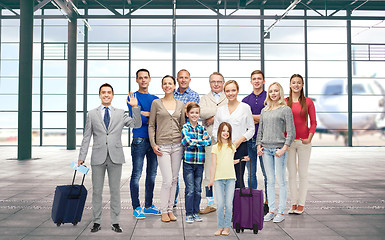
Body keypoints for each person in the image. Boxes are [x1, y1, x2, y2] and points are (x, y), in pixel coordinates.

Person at [78, 83, 142, 233]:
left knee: (115, 191)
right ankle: (96, 222)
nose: (106, 95)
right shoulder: (92, 114)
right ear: (99, 95)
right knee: (97, 191)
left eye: (109, 92)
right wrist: (82, 157)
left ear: (113, 95)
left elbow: (136, 124)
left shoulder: (120, 113)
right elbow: (86, 137)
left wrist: (135, 108)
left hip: (115, 157)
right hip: (98, 157)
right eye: (103, 92)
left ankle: (115, 222)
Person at [257, 82, 296, 223]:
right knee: (270, 181)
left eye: (276, 91)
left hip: (279, 149)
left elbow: (291, 131)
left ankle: (281, 212)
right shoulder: (264, 110)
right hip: (265, 150)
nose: (273, 93)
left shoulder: (285, 109)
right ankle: (272, 210)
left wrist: (284, 148)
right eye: (271, 91)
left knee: (281, 181)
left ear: (280, 93)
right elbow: (260, 130)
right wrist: (258, 145)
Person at [148, 75, 185, 222]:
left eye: (170, 83)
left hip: (177, 145)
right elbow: (151, 125)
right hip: (162, 146)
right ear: (162, 86)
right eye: (165, 84)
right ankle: (164, 210)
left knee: (175, 179)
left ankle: (170, 210)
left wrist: (184, 144)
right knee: (167, 180)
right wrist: (153, 144)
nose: (168, 86)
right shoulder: (156, 103)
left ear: (174, 86)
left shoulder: (180, 104)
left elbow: (183, 126)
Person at [127, 69, 161, 219]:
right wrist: (148, 115)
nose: (143, 80)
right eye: (140, 78)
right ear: (136, 80)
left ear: (149, 79)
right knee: (136, 174)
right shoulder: (132, 97)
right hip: (139, 140)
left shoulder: (155, 99)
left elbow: (159, 119)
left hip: (154, 141)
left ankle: (148, 205)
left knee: (152, 175)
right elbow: (137, 121)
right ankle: (136, 207)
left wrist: (144, 112)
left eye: (145, 77)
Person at [212, 80, 254, 189]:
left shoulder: (245, 108)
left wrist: (239, 141)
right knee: (224, 178)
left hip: (240, 147)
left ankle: (238, 205)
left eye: (233, 90)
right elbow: (215, 129)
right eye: (228, 91)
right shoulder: (220, 110)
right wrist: (222, 143)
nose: (231, 93)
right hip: (224, 149)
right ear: (224, 93)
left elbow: (251, 129)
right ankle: (226, 204)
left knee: (238, 178)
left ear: (238, 91)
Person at [285, 74, 317, 215]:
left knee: (303, 173)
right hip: (289, 142)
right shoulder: (285, 102)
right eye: (294, 82)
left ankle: (301, 204)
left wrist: (309, 138)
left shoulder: (308, 102)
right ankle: (293, 203)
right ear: (290, 85)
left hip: (304, 142)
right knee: (291, 174)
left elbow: (314, 122)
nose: (296, 85)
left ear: (302, 85)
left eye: (299, 82)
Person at [199, 72, 228, 214]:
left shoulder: (228, 96)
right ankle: (210, 203)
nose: (216, 84)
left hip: (226, 142)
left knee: (225, 172)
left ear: (223, 83)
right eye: (213, 82)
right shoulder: (204, 98)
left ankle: (224, 202)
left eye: (219, 81)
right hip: (210, 141)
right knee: (209, 172)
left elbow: (231, 113)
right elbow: (201, 113)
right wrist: (220, 113)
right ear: (209, 83)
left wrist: (213, 117)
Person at [242, 70, 269, 215]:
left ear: (263, 81)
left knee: (267, 174)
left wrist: (255, 117)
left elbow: (268, 117)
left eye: (259, 79)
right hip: (249, 141)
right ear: (251, 81)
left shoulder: (269, 98)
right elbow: (244, 119)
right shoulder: (245, 100)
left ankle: (267, 202)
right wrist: (261, 116)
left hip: (264, 141)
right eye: (254, 79)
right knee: (251, 174)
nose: (257, 81)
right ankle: (252, 200)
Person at [173, 69, 200, 207]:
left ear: (190, 79)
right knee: (174, 172)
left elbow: (191, 114)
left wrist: (181, 110)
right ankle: (173, 201)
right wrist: (183, 109)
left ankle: (192, 204)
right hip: (173, 136)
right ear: (177, 79)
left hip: (190, 138)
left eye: (186, 77)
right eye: (181, 77)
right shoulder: (171, 94)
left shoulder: (195, 95)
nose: (183, 80)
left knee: (191, 172)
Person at [181, 102, 212, 223]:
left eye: (196, 113)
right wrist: (200, 141)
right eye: (192, 112)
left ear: (199, 114)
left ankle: (195, 212)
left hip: (199, 163)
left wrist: (196, 140)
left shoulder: (202, 128)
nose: (194, 115)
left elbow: (209, 141)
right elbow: (187, 143)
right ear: (187, 114)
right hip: (188, 163)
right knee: (190, 189)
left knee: (198, 189)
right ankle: (189, 213)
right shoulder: (185, 127)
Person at [208, 122, 237, 236]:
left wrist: (241, 160)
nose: (225, 133)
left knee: (229, 204)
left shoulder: (232, 146)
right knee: (220, 204)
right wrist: (211, 180)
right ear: (219, 132)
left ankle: (227, 227)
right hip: (218, 179)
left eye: (227, 131)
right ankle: (220, 226)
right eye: (223, 131)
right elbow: (213, 165)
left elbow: (230, 161)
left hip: (230, 179)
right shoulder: (215, 147)